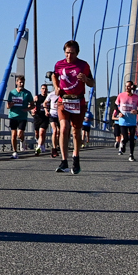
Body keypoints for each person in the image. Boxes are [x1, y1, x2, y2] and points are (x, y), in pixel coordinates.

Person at [52, 40, 94, 175]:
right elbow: (54, 75)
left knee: (76, 131)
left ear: (77, 53)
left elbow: (92, 83)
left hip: (78, 102)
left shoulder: (83, 65)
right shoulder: (59, 64)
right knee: (64, 128)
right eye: (67, 53)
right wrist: (56, 87)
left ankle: (76, 157)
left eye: (72, 53)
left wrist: (86, 80)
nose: (69, 56)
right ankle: (64, 160)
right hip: (63, 101)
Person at [5, 75, 33, 159]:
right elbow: (7, 106)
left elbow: (32, 105)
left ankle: (22, 140)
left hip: (22, 116)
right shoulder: (12, 93)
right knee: (13, 134)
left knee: (20, 134)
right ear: (16, 82)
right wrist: (11, 104)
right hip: (13, 115)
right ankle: (15, 151)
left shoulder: (27, 93)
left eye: (23, 82)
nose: (22, 84)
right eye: (20, 82)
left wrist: (27, 109)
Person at [114, 80, 138, 161]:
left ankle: (131, 155)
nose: (127, 88)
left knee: (132, 139)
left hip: (132, 121)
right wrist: (119, 113)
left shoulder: (137, 98)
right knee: (125, 137)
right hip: (123, 121)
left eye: (128, 86)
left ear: (132, 87)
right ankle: (123, 143)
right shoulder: (121, 95)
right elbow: (116, 106)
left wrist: (137, 112)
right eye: (126, 86)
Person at [31, 82, 51, 156]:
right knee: (37, 133)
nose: (44, 90)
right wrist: (32, 110)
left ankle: (38, 148)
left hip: (45, 117)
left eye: (45, 89)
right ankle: (41, 144)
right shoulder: (37, 97)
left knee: (42, 132)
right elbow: (31, 105)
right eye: (43, 89)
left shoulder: (49, 98)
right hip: (37, 117)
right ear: (41, 89)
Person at [45, 79, 62, 158]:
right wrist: (46, 110)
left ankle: (59, 145)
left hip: (61, 114)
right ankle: (54, 148)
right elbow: (45, 103)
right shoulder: (51, 94)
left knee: (60, 132)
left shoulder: (63, 94)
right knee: (55, 130)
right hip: (53, 114)